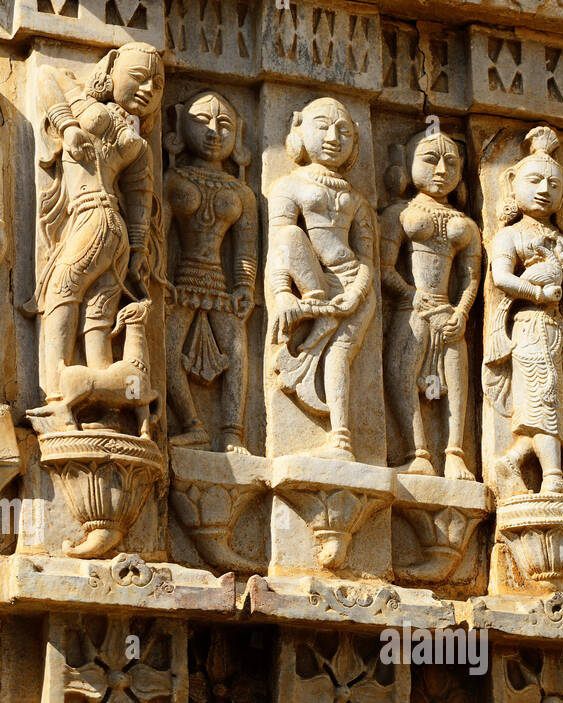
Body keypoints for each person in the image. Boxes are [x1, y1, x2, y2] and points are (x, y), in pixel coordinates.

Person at [29, 43, 164, 407]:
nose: (149, 89)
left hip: (92, 218)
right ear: (111, 73)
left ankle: (56, 391)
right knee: (98, 311)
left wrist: (67, 124)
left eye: (157, 83)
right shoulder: (133, 139)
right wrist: (135, 250)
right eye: (139, 78)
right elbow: (139, 200)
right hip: (115, 229)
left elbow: (46, 77)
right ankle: (104, 397)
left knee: (60, 292)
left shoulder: (94, 113)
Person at [483, 125, 563, 496]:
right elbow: (500, 278)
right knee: (543, 398)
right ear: (513, 183)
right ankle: (552, 477)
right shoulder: (510, 235)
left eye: (555, 185)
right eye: (535, 180)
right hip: (528, 327)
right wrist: (538, 292)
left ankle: (513, 461)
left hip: (560, 332)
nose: (545, 190)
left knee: (561, 401)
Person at [268, 97, 376, 460]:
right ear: (299, 128)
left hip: (353, 285)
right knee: (291, 235)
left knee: (340, 354)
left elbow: (368, 260)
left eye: (344, 130)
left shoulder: (357, 198)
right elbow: (281, 242)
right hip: (312, 280)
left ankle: (341, 439)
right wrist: (283, 293)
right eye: (323, 126)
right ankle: (311, 306)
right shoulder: (288, 185)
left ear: (355, 140)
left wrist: (357, 292)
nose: (333, 136)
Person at [381, 130, 481, 479]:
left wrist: (462, 311)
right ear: (407, 165)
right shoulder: (399, 212)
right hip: (413, 308)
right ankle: (417, 451)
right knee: (401, 373)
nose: (441, 169)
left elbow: (471, 278)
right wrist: (410, 294)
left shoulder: (465, 223)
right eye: (430, 159)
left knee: (456, 383)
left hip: (448, 312)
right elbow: (383, 268)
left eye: (451, 162)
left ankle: (455, 453)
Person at [165, 90, 258, 452]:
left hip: (220, 284)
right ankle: (193, 424)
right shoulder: (173, 180)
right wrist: (160, 280)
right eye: (201, 120)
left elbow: (245, 249)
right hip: (182, 280)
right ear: (179, 125)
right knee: (169, 355)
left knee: (236, 353)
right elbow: (159, 235)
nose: (214, 131)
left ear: (239, 134)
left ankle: (233, 433)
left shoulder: (242, 192)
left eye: (224, 124)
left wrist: (245, 286)